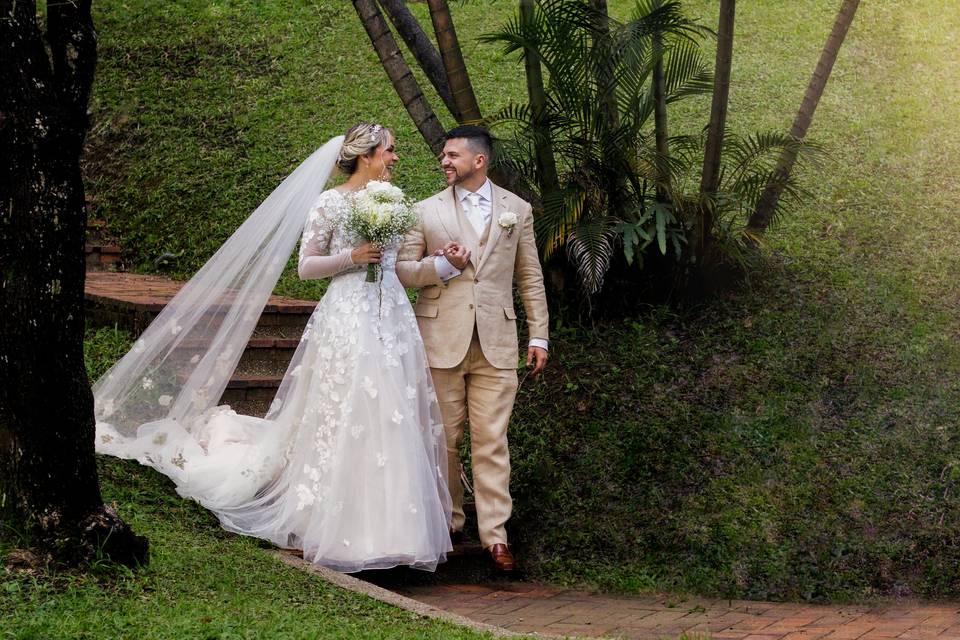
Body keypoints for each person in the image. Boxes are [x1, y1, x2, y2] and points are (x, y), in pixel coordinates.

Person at [94, 123, 452, 572]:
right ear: (366, 155)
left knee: (393, 413)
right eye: (390, 151)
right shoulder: (330, 202)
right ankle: (338, 527)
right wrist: (352, 258)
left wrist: (442, 263)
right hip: (346, 317)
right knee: (348, 411)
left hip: (392, 317)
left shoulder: (396, 202)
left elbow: (398, 266)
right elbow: (306, 267)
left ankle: (396, 531)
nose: (395, 158)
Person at [397, 125, 549, 572]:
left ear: (478, 161)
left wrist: (538, 334)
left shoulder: (516, 211)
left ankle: (495, 538)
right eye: (444, 155)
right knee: (443, 438)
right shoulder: (423, 211)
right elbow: (403, 270)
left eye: (452, 155)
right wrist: (444, 264)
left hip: (497, 343)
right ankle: (448, 523)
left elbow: (530, 276)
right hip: (440, 338)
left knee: (492, 441)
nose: (444, 161)